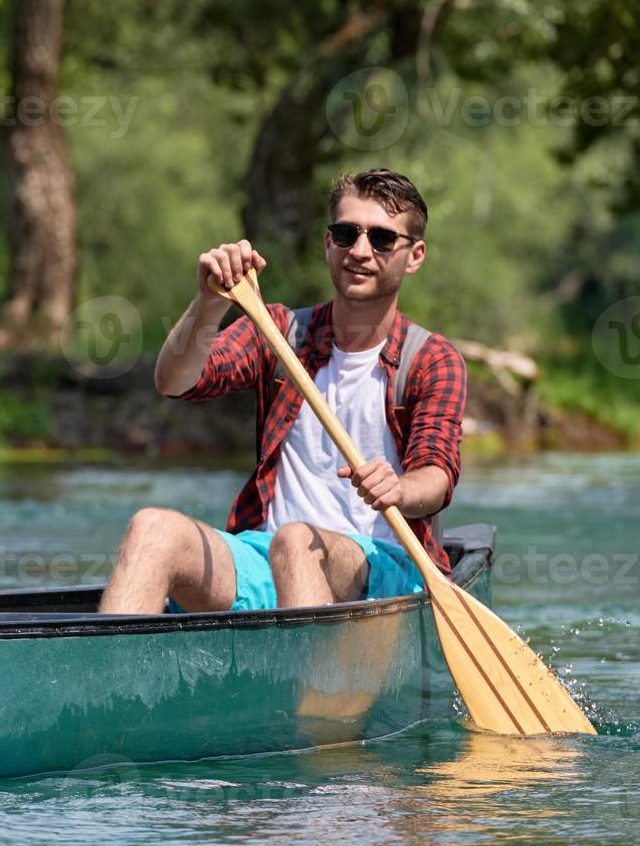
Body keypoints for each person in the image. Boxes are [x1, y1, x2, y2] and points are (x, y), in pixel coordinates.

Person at [99, 168, 466, 614]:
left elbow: (437, 476)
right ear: (329, 243)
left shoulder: (431, 359)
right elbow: (176, 380)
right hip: (264, 556)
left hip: (384, 563)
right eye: (347, 233)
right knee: (151, 528)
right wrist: (211, 300)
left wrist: (400, 490)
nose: (361, 251)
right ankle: (113, 682)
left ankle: (317, 685)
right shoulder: (278, 331)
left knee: (298, 541)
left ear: (414, 255)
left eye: (383, 239)